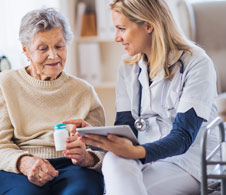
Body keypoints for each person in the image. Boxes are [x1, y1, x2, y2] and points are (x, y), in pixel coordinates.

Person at [64, 0, 219, 194]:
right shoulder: (128, 66)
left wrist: (135, 152)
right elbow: (126, 127)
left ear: (148, 25)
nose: (116, 38)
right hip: (146, 157)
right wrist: (96, 136)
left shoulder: (197, 63)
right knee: (113, 159)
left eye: (121, 28)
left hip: (188, 161)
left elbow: (183, 138)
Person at [0, 8, 105, 195]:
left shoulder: (84, 91)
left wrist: (87, 158)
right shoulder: (5, 84)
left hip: (73, 166)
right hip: (21, 166)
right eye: (43, 48)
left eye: (59, 46)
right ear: (26, 50)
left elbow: (101, 149)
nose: (53, 55)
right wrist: (24, 162)